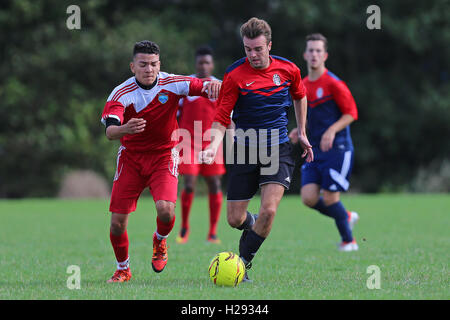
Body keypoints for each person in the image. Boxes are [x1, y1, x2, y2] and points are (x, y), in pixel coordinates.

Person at [199, 17, 313, 281]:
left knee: (269, 210)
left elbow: (300, 95)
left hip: (278, 149)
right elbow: (221, 117)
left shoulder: (288, 70)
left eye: (258, 49)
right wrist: (212, 146)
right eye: (248, 49)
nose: (252, 54)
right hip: (245, 149)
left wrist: (303, 131)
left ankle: (243, 261)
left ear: (269, 46)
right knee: (234, 219)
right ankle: (255, 225)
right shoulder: (234, 74)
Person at [101, 40, 221, 283]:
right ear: (132, 66)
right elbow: (110, 132)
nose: (149, 69)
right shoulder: (121, 93)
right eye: (143, 64)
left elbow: (204, 86)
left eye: (153, 64)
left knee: (166, 211)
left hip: (164, 155)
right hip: (131, 159)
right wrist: (125, 128)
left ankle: (160, 240)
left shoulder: (173, 83)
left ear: (160, 65)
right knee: (116, 224)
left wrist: (218, 87)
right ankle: (123, 269)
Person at [289, 33, 360, 252]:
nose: (314, 54)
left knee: (330, 197)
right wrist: (299, 130)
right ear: (305, 54)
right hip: (315, 149)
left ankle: (349, 242)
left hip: (337, 149)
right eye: (310, 50)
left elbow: (351, 113)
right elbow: (309, 117)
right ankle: (345, 215)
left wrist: (332, 130)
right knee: (309, 198)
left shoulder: (334, 83)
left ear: (325, 55)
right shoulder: (302, 85)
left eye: (318, 50)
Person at [176, 46, 230, 244]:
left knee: (214, 184)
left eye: (207, 62)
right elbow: (176, 115)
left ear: (212, 64)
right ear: (195, 64)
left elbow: (227, 116)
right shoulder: (186, 86)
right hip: (188, 141)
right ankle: (184, 228)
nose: (204, 66)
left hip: (212, 142)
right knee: (189, 183)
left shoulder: (220, 86)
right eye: (201, 62)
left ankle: (213, 232)